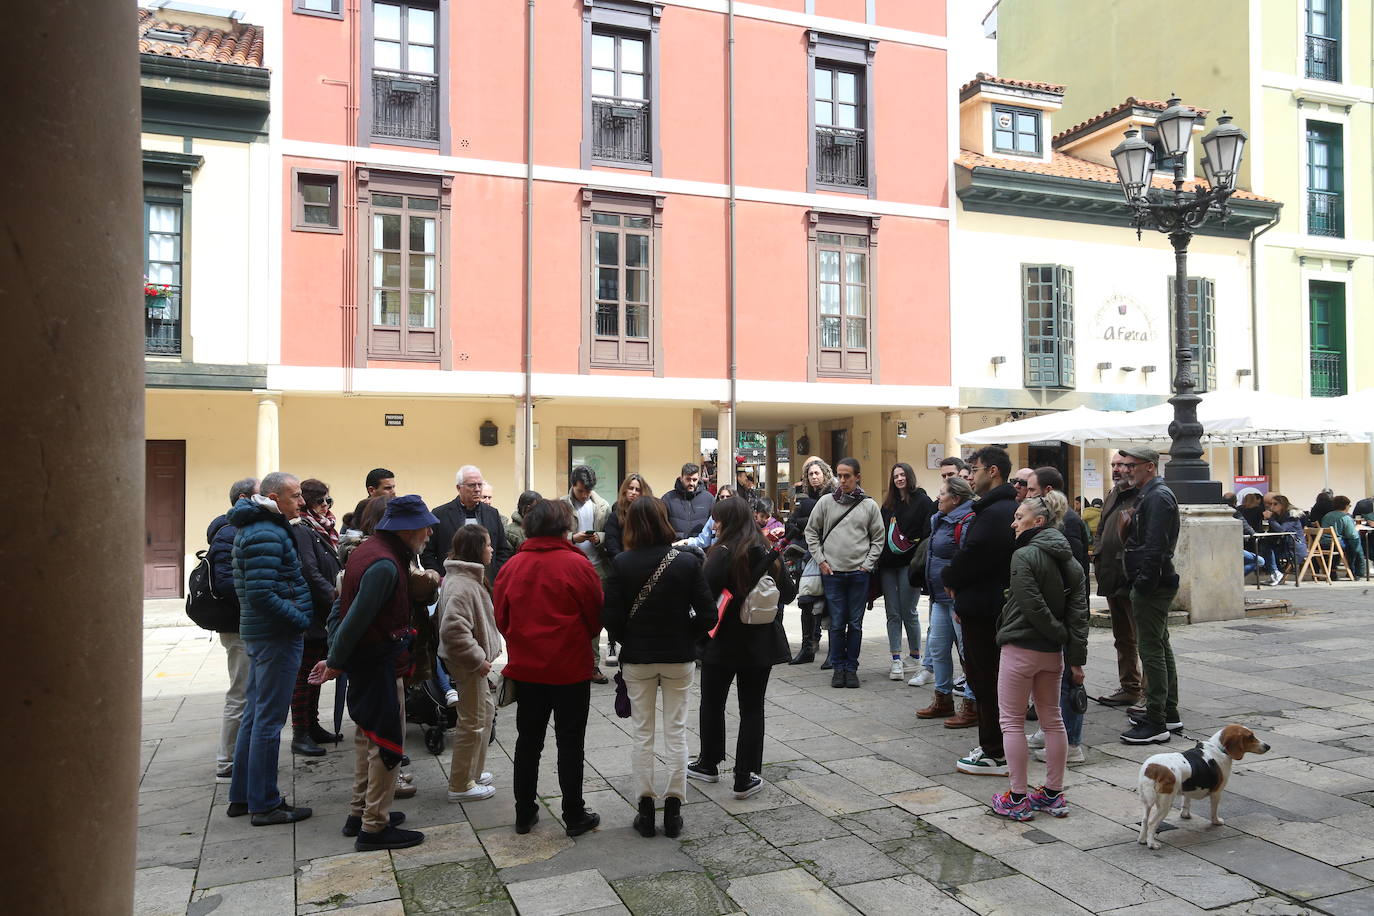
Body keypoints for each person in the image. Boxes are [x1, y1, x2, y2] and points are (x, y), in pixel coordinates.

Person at [311, 494, 439, 850]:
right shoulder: (383, 563)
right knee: (386, 746)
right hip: (379, 664)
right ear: (405, 529)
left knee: (367, 740)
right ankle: (374, 827)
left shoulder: (369, 552)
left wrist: (337, 656)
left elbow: (341, 608)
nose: (428, 532)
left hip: (369, 662)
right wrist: (334, 661)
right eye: (423, 526)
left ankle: (360, 813)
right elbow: (353, 618)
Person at [603, 498, 717, 838]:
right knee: (676, 731)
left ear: (632, 526)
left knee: (643, 733)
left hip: (638, 658)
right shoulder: (685, 562)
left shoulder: (622, 564)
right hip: (678, 658)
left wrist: (630, 637)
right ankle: (673, 810)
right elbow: (709, 615)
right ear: (665, 521)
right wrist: (687, 636)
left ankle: (645, 809)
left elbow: (609, 618)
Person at [495, 499, 604, 837]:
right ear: (564, 526)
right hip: (570, 669)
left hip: (527, 669)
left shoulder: (512, 567)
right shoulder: (577, 564)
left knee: (528, 741)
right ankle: (574, 813)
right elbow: (595, 617)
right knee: (571, 742)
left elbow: (502, 617)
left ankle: (524, 812)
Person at [989, 492, 1088, 821]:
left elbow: (1030, 604)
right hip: (1052, 655)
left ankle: (1017, 797)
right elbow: (1078, 612)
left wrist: (1056, 634)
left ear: (1039, 521)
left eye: (1019, 517)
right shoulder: (1069, 559)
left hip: (1021, 647)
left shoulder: (1025, 554)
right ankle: (1053, 794)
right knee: (1052, 719)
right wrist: (1074, 655)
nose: (1014, 523)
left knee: (1011, 722)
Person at [688, 497, 797, 797]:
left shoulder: (721, 553)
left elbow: (704, 597)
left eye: (718, 519)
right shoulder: (767, 551)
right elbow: (788, 594)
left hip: (721, 643)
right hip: (759, 643)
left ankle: (708, 763)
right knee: (752, 708)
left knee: (712, 702)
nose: (715, 525)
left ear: (729, 521)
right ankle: (745, 776)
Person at [225, 472, 314, 826]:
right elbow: (261, 593)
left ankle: (243, 796)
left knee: (255, 714)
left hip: (264, 634)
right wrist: (298, 619)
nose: (302, 502)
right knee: (268, 720)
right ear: (274, 497)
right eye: (295, 496)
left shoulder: (261, 527)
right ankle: (265, 803)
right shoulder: (266, 531)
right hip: (275, 635)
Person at [942, 445, 1018, 776]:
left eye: (974, 469)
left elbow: (973, 554)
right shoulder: (993, 508)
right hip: (982, 604)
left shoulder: (996, 511)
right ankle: (994, 745)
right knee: (985, 678)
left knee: (986, 679)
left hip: (986, 609)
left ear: (993, 472)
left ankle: (995, 752)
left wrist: (950, 577)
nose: (969, 476)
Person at [1022, 468, 1090, 764]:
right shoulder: (1055, 522)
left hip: (1066, 613)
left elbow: (1072, 573)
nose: (1027, 494)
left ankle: (1072, 743)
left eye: (1032, 490)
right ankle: (1049, 732)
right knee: (1050, 678)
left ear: (1047, 491)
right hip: (1055, 612)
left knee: (1069, 679)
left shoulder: (1068, 523)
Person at [1118, 446, 1182, 745]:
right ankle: (1167, 712)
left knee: (1151, 649)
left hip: (1153, 584)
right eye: (1125, 465)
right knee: (1159, 645)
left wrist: (1142, 582)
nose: (1126, 469)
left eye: (1132, 465)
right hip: (1153, 581)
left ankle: (1157, 719)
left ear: (1150, 467)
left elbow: (1155, 547)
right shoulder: (1151, 495)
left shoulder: (1158, 497)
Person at [805, 457, 884, 687]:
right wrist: (820, 560)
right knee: (837, 623)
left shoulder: (869, 505)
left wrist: (867, 565)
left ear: (857, 477)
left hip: (859, 574)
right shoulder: (826, 502)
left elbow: (878, 538)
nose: (842, 480)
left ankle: (852, 668)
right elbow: (811, 532)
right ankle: (838, 668)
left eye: (847, 476)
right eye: (839, 475)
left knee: (856, 623)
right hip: (833, 573)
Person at [438, 525, 504, 803]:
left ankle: (472, 773)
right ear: (476, 549)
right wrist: (478, 660)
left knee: (484, 715)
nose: (491, 549)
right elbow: (453, 631)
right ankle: (461, 784)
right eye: (487, 545)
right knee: (473, 721)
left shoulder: (467, 579)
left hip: (474, 665)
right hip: (469, 666)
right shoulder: (463, 584)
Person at [914, 476, 977, 724]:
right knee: (938, 649)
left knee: (966, 653)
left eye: (942, 494)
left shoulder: (967, 521)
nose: (938, 498)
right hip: (940, 597)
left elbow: (967, 560)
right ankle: (943, 699)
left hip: (957, 598)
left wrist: (960, 592)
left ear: (956, 498)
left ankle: (971, 704)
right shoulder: (940, 519)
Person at [207, 476, 258, 780]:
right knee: (240, 691)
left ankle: (239, 754)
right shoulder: (228, 534)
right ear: (242, 499)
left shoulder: (233, 531)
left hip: (245, 623)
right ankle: (227, 762)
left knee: (248, 691)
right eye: (258, 496)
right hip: (237, 625)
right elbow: (226, 582)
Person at [289, 478, 343, 757]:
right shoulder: (302, 530)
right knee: (304, 675)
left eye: (328, 501)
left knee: (315, 673)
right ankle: (300, 733)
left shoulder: (321, 529)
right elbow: (309, 570)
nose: (325, 506)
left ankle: (312, 725)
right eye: (320, 501)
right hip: (311, 612)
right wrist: (334, 595)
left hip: (321, 613)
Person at [1092, 453, 1143, 708]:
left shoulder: (1143, 495)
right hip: (1112, 573)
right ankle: (1130, 686)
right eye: (1113, 465)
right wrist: (1099, 550)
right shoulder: (1114, 493)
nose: (1116, 469)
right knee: (1122, 636)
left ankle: (1147, 690)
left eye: (1122, 465)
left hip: (1132, 575)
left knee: (1142, 637)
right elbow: (1103, 527)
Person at [878, 462, 934, 681]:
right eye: (895, 476)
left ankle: (915, 656)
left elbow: (927, 533)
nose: (899, 479)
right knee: (892, 612)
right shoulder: (889, 503)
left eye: (902, 475)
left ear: (909, 476)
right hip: (887, 565)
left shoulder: (923, 501)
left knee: (908, 611)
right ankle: (895, 659)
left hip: (909, 565)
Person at [564, 465, 614, 678]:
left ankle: (593, 664)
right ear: (572, 485)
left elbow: (609, 536)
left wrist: (599, 538)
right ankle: (570, 662)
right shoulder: (561, 506)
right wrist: (572, 538)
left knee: (595, 616)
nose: (584, 496)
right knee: (569, 617)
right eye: (580, 491)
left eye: (588, 491)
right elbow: (553, 536)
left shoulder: (602, 505)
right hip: (569, 568)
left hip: (597, 568)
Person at [421, 465, 513, 579]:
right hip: (452, 580)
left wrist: (494, 574)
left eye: (480, 484)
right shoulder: (440, 514)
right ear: (459, 488)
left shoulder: (492, 514)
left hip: (487, 582)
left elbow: (503, 549)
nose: (477, 489)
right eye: (472, 485)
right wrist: (442, 577)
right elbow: (427, 553)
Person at [786, 457, 835, 666]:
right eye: (810, 474)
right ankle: (807, 648)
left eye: (817, 473)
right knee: (806, 600)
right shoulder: (803, 497)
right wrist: (805, 518)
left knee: (832, 603)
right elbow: (791, 524)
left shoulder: (834, 494)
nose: (814, 477)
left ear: (824, 473)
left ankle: (834, 652)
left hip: (831, 555)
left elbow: (828, 520)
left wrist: (805, 516)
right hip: (808, 556)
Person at [1260, 493, 1306, 585]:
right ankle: (1276, 573)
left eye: (1275, 504)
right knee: (1264, 546)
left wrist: (1270, 519)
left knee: (1268, 549)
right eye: (1270, 504)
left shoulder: (1291, 516)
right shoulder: (1277, 516)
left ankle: (1277, 573)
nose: (1272, 506)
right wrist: (1265, 519)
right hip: (1283, 545)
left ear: (1283, 505)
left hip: (1294, 548)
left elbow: (1281, 529)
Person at [605, 474, 653, 560]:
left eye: (637, 490)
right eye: (631, 488)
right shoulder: (615, 516)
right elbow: (612, 546)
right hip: (622, 562)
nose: (633, 493)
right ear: (625, 490)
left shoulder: (648, 515)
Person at [663, 462, 715, 539]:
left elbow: (714, 526)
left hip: (701, 547)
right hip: (676, 546)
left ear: (699, 479)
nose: (691, 483)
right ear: (681, 478)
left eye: (694, 480)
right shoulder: (668, 498)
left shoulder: (709, 499)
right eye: (688, 479)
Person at [1321, 496, 1366, 577]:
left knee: (1352, 541)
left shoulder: (1327, 515)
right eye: (1349, 506)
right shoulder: (1345, 517)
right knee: (1355, 541)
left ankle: (1333, 572)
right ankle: (1355, 571)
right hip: (1335, 544)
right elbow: (1351, 534)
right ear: (1346, 506)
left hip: (1322, 543)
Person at [505, 489, 541, 554]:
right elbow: (506, 558)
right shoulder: (509, 532)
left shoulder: (542, 528)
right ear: (527, 509)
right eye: (538, 508)